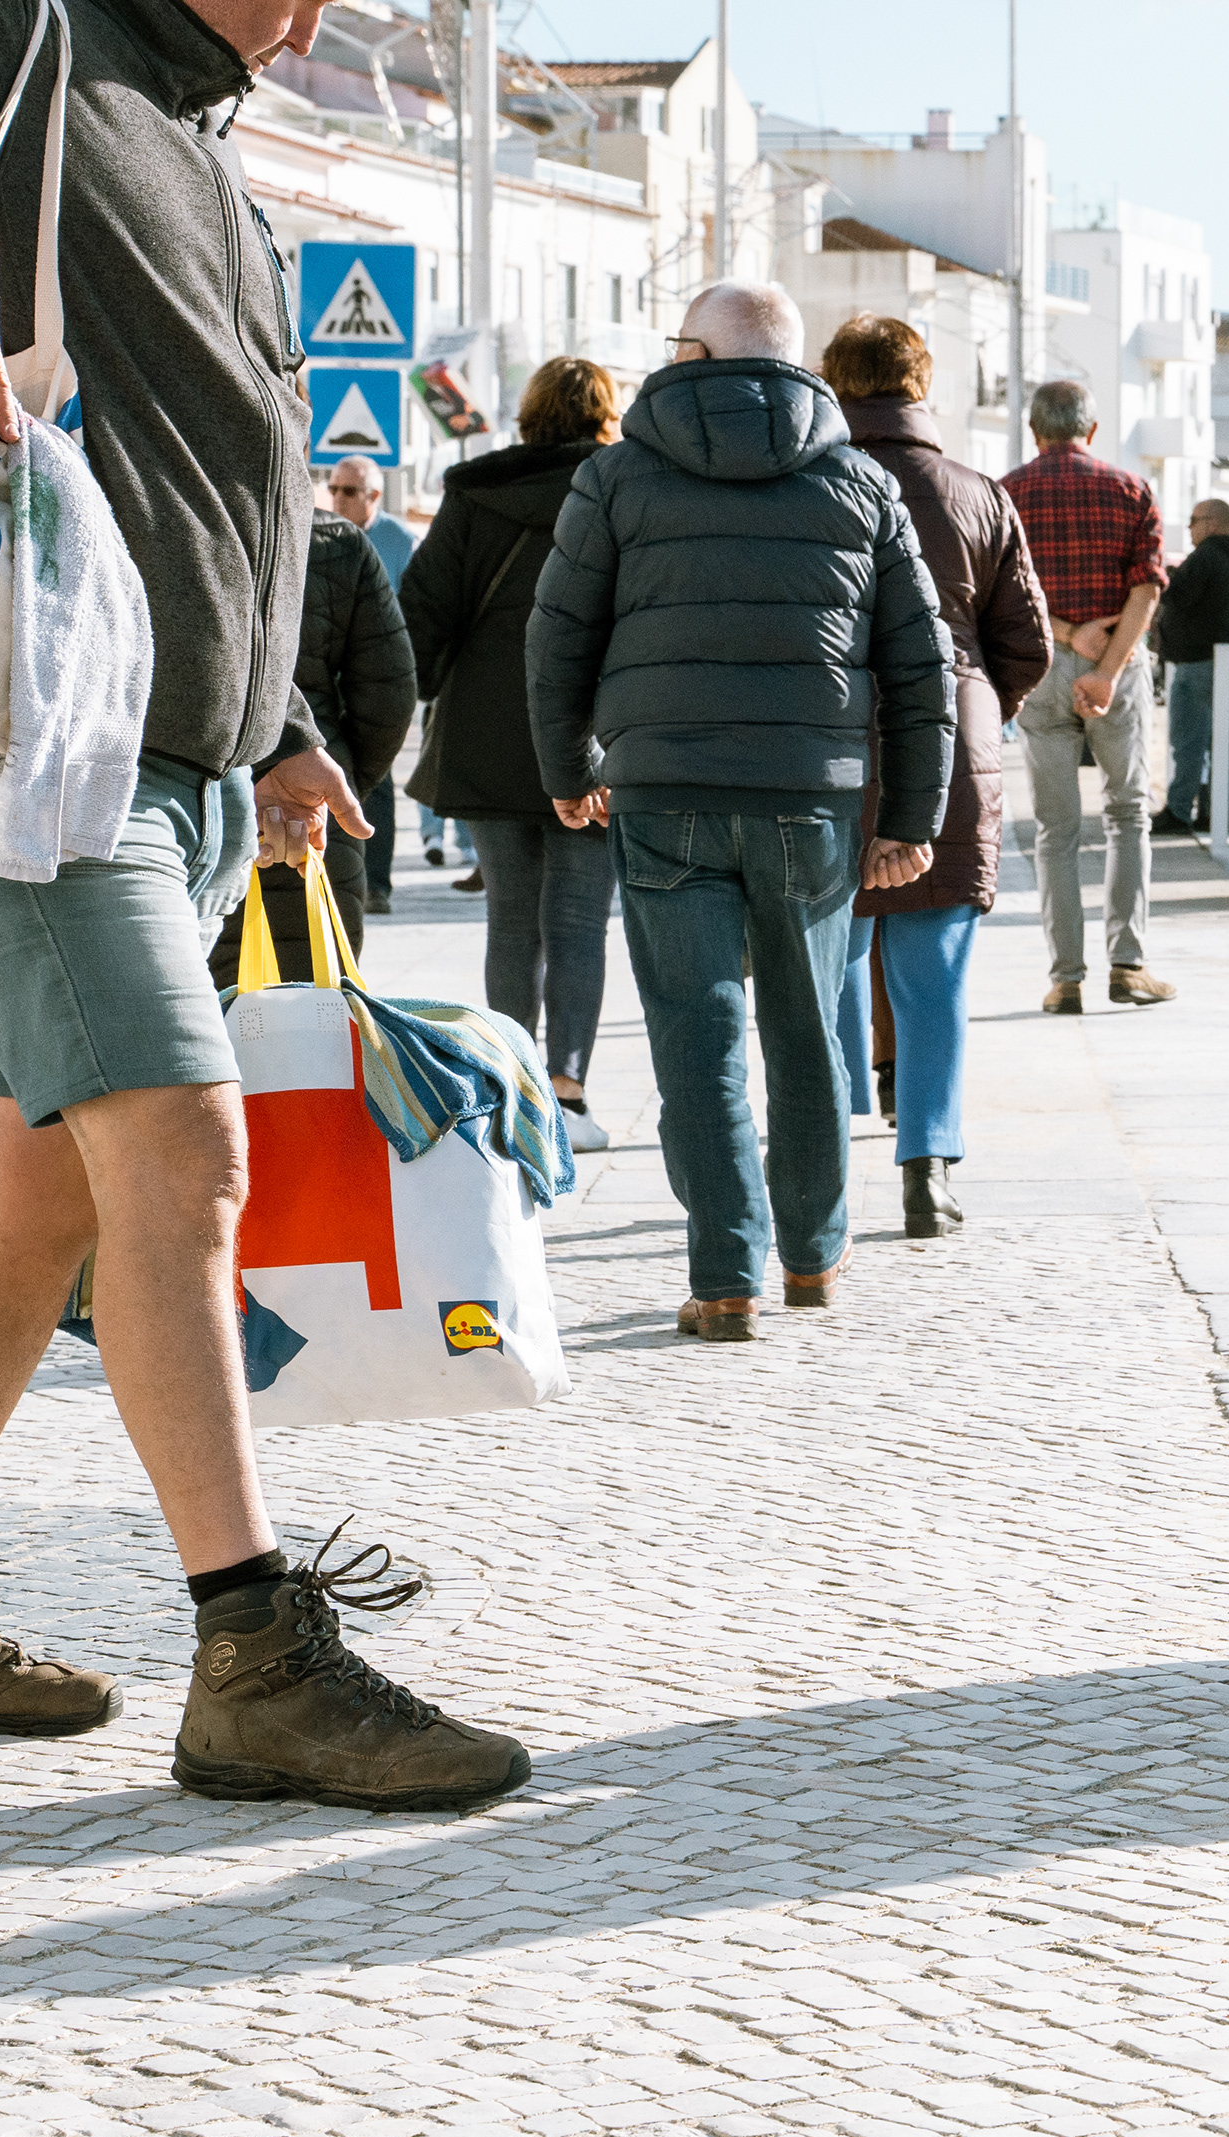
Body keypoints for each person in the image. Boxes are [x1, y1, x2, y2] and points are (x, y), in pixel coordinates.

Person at [0, 0, 531, 1813]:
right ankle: (258, 1658)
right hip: (41, 751)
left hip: (183, 763)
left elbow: (216, 490)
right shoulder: (18, 30)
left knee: (44, 1194)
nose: (317, 17)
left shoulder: (200, 141)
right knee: (180, 1154)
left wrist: (281, 723)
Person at [526, 282, 952, 1342]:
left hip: (664, 789)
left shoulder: (617, 475)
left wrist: (568, 767)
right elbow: (920, 663)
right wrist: (913, 819)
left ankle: (725, 1278)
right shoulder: (859, 482)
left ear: (694, 355)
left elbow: (558, 634)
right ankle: (812, 1255)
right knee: (807, 1031)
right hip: (810, 799)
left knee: (695, 1035)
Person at [820, 315, 1052, 1241]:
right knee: (934, 964)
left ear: (835, 385)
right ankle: (928, 1170)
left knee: (827, 955)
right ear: (920, 385)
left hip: (829, 734)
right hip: (954, 735)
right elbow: (1026, 644)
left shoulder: (812, 483)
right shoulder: (978, 492)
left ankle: (826, 1153)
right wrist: (981, 704)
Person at [403, 355, 625, 1152]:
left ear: (529, 416)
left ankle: (512, 1087)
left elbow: (423, 610)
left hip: (487, 730)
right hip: (594, 728)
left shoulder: (475, 493)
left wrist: (413, 695)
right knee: (579, 922)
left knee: (510, 920)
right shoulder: (625, 488)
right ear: (605, 417)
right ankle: (568, 1093)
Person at [999, 379, 1170, 1013]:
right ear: (1091, 431)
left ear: (1034, 432)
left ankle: (1065, 978)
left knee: (1055, 830)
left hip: (1042, 670)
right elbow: (1147, 588)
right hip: (1116, 668)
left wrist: (1067, 634)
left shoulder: (1007, 494)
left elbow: (1002, 595)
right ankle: (1129, 966)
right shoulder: (1131, 489)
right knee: (1127, 814)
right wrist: (1106, 667)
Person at [208, 492, 410, 970]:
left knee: (201, 989)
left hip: (194, 791)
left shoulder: (185, 516)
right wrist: (342, 778)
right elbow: (389, 692)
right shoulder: (337, 541)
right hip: (313, 793)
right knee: (313, 985)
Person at [314, 458, 409, 912]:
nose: (338, 498)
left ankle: (377, 885)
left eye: (349, 491)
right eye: (334, 489)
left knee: (377, 784)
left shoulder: (399, 541)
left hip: (374, 680)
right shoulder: (319, 537)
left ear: (374, 495)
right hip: (326, 682)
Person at [1151, 498, 1229, 835]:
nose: (1189, 527)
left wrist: (1164, 574)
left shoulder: (1207, 556)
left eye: (1193, 520)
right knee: (1223, 741)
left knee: (1189, 742)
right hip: (1228, 659)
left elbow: (1177, 595)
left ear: (1211, 522)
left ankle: (1179, 811)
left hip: (1199, 661)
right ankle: (1218, 813)